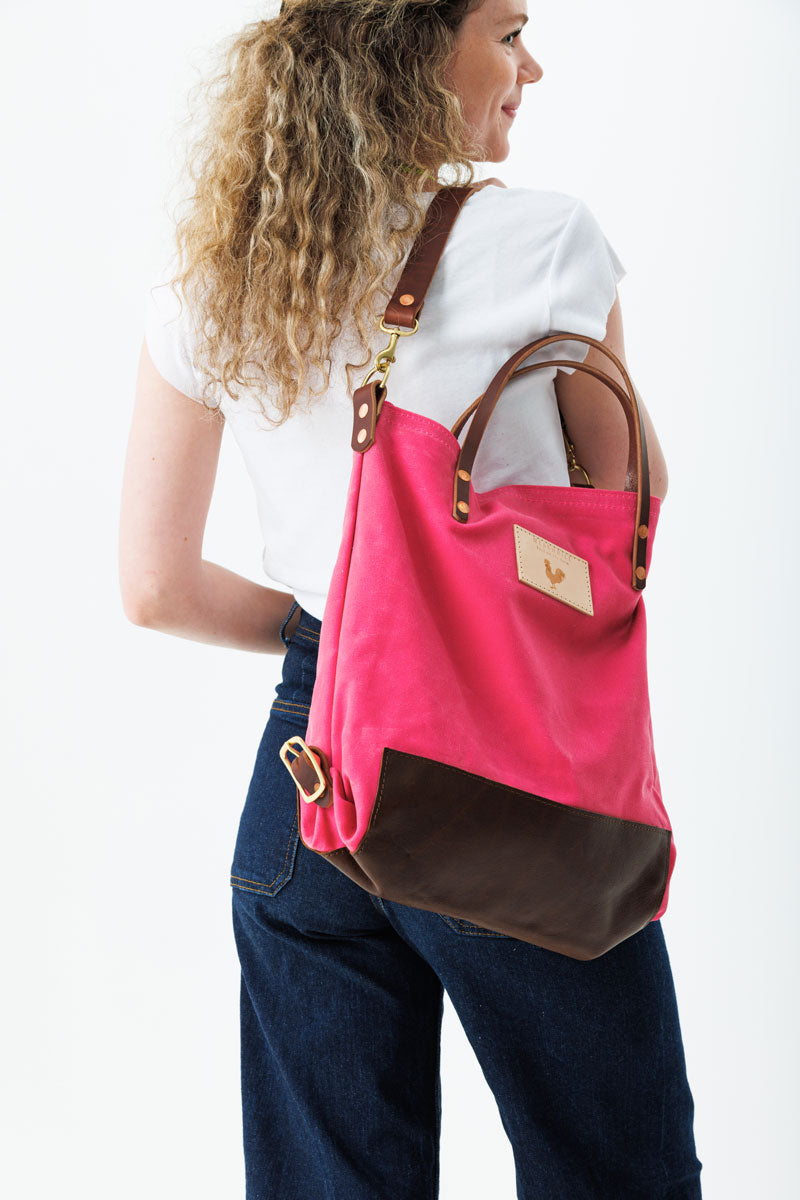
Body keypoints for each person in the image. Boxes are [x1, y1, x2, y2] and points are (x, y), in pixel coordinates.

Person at [119, 1, 702, 1196]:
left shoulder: (218, 277)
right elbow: (630, 523)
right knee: (617, 1170)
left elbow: (154, 585)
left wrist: (341, 641)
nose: (528, 66)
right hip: (501, 778)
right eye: (506, 31)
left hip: (303, 782)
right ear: (407, 49)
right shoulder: (547, 244)